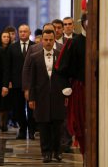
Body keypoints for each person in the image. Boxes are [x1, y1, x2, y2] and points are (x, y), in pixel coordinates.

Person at [28, 30, 70, 163]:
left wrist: (67, 94)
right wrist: (32, 98)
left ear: (54, 40)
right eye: (45, 40)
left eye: (50, 40)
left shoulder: (61, 55)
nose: (48, 42)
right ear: (42, 41)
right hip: (41, 97)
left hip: (58, 96)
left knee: (58, 126)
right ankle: (46, 153)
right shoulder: (35, 57)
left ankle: (57, 152)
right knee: (44, 126)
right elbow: (32, 79)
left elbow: (65, 77)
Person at [55, 13, 88, 157]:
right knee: (79, 123)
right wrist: (65, 88)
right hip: (79, 88)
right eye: (87, 21)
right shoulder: (74, 43)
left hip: (99, 90)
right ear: (83, 23)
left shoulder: (101, 40)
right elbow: (61, 68)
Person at [7, 24, 35, 140]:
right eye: (21, 31)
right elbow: (8, 66)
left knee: (32, 108)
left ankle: (32, 130)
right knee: (18, 108)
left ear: (29, 33)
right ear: (18, 33)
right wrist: (8, 81)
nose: (23, 33)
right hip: (17, 83)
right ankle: (23, 129)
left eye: (25, 31)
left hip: (32, 83)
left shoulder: (35, 46)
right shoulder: (12, 47)